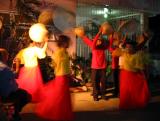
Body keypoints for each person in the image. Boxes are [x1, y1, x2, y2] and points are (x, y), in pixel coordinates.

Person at [36, 35, 74, 121]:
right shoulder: (59, 52)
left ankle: (62, 114)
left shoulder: (65, 52)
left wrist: (69, 74)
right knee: (59, 96)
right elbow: (54, 64)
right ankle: (54, 112)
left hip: (65, 76)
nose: (68, 43)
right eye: (67, 42)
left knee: (63, 97)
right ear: (63, 42)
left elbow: (66, 65)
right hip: (60, 77)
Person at [75, 24, 113, 101]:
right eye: (97, 40)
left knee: (103, 82)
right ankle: (95, 96)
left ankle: (103, 94)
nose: (98, 41)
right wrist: (99, 33)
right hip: (95, 68)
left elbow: (110, 43)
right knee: (95, 83)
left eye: (100, 40)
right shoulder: (94, 46)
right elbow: (93, 40)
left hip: (102, 67)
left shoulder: (103, 47)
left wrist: (111, 35)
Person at [0, 48, 31, 121]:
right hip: (5, 94)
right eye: (7, 55)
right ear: (4, 56)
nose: (8, 56)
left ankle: (13, 110)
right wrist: (17, 66)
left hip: (2, 92)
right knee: (26, 95)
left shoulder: (4, 67)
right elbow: (15, 76)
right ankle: (14, 112)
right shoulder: (4, 68)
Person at [119, 40, 150, 109]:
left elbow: (141, 67)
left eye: (130, 47)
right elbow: (116, 50)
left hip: (133, 76)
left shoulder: (137, 56)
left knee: (133, 91)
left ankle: (136, 103)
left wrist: (145, 76)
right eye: (127, 47)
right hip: (124, 75)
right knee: (125, 90)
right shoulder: (124, 54)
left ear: (133, 48)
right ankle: (126, 104)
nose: (128, 48)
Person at [16, 36, 48, 102]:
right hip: (33, 69)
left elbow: (18, 59)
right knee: (33, 85)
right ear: (33, 42)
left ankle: (25, 97)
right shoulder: (35, 49)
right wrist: (46, 43)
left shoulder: (24, 50)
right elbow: (42, 55)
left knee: (26, 85)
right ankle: (31, 97)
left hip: (26, 69)